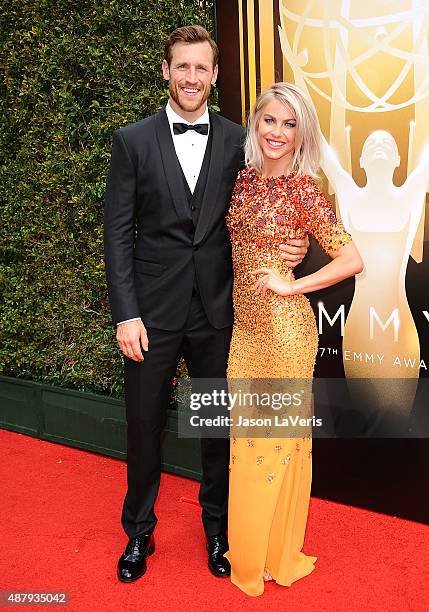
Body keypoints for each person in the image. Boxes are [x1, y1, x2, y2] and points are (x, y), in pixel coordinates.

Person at [103, 26, 309, 583]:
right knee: (144, 428)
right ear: (166, 71)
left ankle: (218, 533)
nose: (192, 78)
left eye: (202, 68)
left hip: (219, 317)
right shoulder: (133, 141)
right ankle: (138, 533)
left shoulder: (240, 139)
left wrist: (299, 243)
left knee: (215, 430)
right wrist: (125, 313)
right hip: (150, 316)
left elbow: (275, 197)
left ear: (217, 76)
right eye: (182, 67)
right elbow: (117, 233)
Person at [224, 82, 363, 596]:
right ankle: (256, 551)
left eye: (289, 124)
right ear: (255, 124)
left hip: (286, 333)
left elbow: (351, 259)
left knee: (273, 445)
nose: (277, 133)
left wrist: (294, 283)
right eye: (269, 121)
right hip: (245, 331)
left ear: (301, 132)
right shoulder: (242, 181)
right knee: (249, 443)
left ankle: (270, 555)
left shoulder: (305, 190)